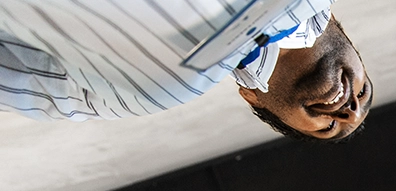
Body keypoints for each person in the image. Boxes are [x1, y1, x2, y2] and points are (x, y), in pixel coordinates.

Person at [0, 0, 372, 139]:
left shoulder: (148, 91)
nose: (350, 112)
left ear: (254, 99)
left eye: (329, 128)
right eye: (364, 93)